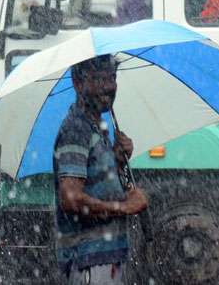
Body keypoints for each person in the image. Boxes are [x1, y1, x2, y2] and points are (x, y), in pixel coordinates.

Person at [53, 54, 149, 284]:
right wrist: (125, 207)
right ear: (77, 83)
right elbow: (71, 198)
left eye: (112, 78)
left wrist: (117, 159)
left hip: (104, 260)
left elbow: (95, 184)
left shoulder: (95, 128)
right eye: (98, 79)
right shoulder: (76, 129)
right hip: (90, 262)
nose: (107, 87)